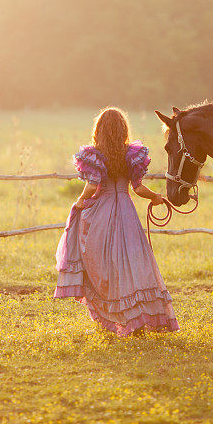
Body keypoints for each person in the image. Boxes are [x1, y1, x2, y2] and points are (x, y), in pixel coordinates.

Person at [54, 107, 179, 336]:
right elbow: (138, 188)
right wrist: (156, 197)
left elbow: (92, 186)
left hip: (102, 212)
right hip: (125, 211)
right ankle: (137, 318)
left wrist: (80, 201)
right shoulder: (131, 154)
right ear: (123, 129)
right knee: (131, 263)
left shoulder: (95, 155)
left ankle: (118, 317)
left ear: (99, 130)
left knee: (105, 263)